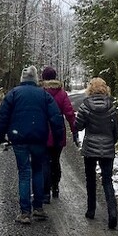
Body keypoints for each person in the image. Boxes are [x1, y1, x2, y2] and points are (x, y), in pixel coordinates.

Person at [0, 64, 64, 224]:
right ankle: (38, 208)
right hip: (39, 138)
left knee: (24, 173)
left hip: (19, 139)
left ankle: (25, 212)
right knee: (38, 171)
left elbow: (2, 116)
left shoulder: (13, 94)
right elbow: (56, 118)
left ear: (22, 79)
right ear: (35, 79)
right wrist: (58, 138)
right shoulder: (44, 95)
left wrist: (0, 136)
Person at [76, 77, 118, 229]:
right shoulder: (111, 106)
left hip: (90, 148)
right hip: (107, 147)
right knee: (107, 180)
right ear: (105, 89)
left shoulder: (85, 106)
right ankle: (112, 212)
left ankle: (91, 210)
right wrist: (111, 142)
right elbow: (117, 130)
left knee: (90, 180)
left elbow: (79, 126)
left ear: (90, 89)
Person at [40, 66, 78, 202]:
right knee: (55, 161)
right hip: (58, 133)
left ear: (43, 78)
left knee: (44, 161)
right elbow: (69, 113)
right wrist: (74, 131)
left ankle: (45, 191)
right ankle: (55, 187)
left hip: (42, 132)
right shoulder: (62, 94)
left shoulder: (40, 92)